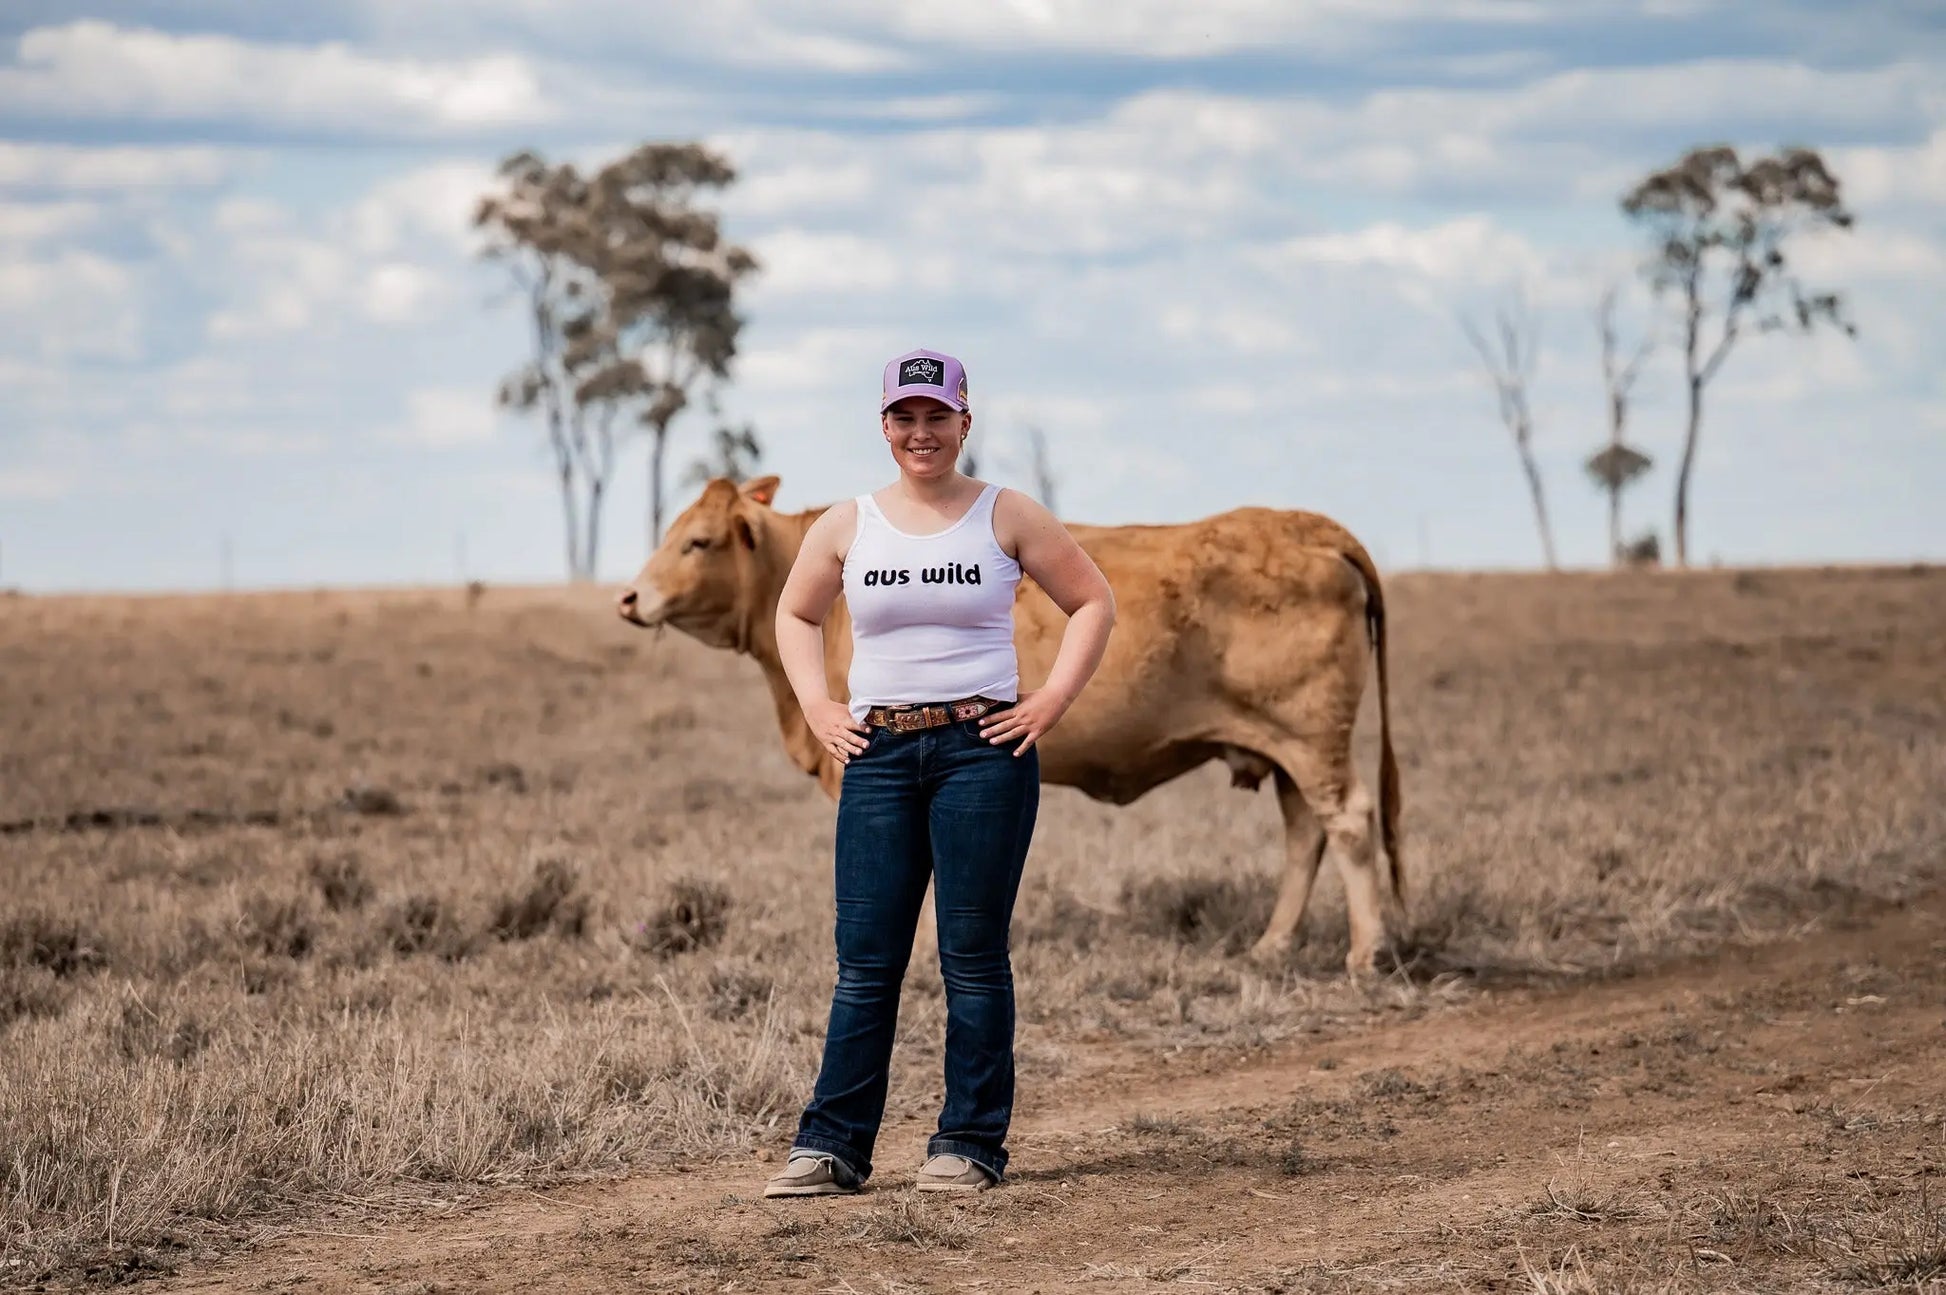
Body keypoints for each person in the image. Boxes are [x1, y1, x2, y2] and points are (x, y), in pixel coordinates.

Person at [763, 348, 1116, 1196]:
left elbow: (1093, 601)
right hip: (878, 756)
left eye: (937, 416)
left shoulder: (1007, 513)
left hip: (981, 754)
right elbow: (796, 610)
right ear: (883, 425)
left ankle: (967, 1144)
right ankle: (831, 1146)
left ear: (965, 420)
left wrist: (1051, 700)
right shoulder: (847, 524)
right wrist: (818, 707)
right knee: (867, 961)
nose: (921, 432)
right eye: (904, 417)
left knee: (972, 954)